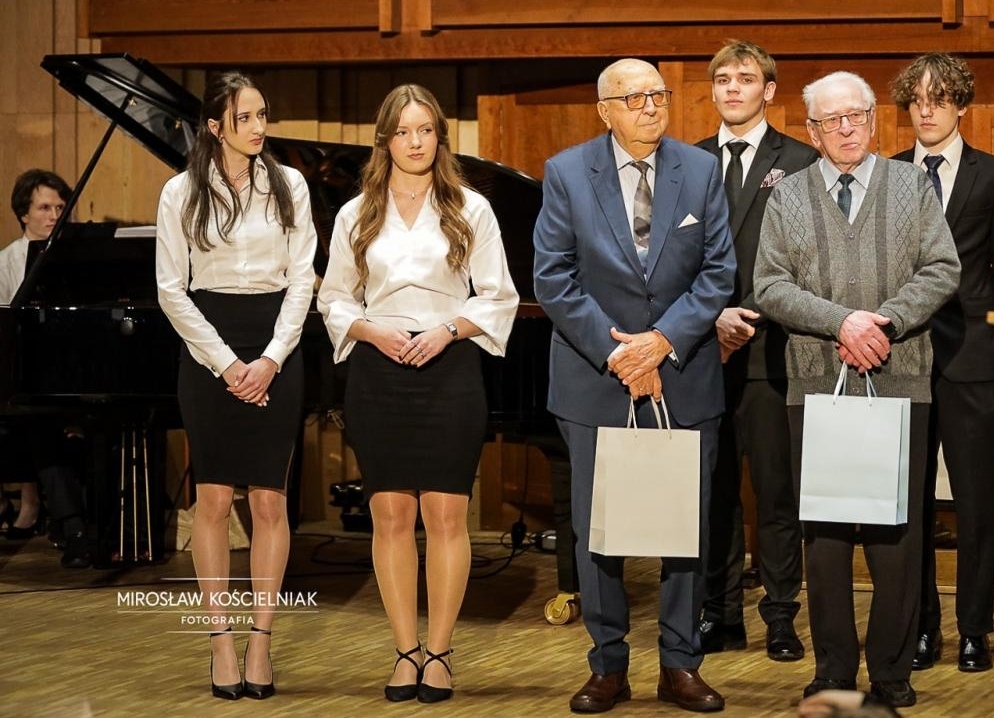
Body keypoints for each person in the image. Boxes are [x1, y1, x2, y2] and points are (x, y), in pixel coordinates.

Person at [533, 58, 736, 714]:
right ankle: (607, 664)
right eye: (635, 97)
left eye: (658, 94)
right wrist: (618, 352)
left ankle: (680, 664)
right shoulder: (567, 173)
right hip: (596, 379)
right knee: (599, 533)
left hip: (683, 376)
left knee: (686, 528)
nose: (651, 106)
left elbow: (718, 272)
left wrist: (663, 342)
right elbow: (553, 277)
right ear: (606, 110)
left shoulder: (702, 170)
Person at [754, 71, 960, 710]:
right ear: (811, 131)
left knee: (897, 532)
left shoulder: (912, 186)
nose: (846, 129)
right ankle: (833, 671)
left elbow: (943, 268)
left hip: (901, 381)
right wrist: (839, 322)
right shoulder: (785, 197)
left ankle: (892, 673)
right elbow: (769, 286)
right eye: (831, 120)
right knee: (826, 532)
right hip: (816, 386)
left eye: (856, 117)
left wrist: (885, 321)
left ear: (873, 121)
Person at [318, 83, 519, 704]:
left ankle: (440, 653)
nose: (415, 141)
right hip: (379, 369)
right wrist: (372, 331)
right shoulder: (357, 212)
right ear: (385, 139)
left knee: (446, 514)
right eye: (403, 131)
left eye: (425, 130)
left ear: (439, 137)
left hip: (449, 365)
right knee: (390, 514)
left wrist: (447, 330)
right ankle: (404, 652)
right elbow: (334, 297)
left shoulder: (470, 208)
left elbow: (498, 294)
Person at [154, 75, 316, 699]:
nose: (258, 126)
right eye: (245, 117)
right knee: (215, 500)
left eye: (262, 114)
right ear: (216, 126)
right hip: (207, 343)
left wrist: (271, 358)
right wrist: (225, 363)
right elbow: (172, 288)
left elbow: (302, 279)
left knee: (269, 500)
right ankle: (220, 641)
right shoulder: (180, 191)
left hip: (277, 340)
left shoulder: (291, 184)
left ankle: (260, 643)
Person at [888, 53, 994, 676]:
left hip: (972, 355)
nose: (928, 109)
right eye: (917, 99)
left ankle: (974, 629)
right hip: (903, 354)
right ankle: (921, 628)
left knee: (974, 502)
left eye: (940, 98)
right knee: (908, 500)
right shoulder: (886, 174)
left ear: (961, 104)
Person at [695, 41, 816, 663]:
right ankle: (718, 614)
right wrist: (708, 318)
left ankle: (779, 615)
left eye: (746, 79)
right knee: (711, 494)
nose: (733, 89)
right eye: (722, 79)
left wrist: (753, 314)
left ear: (770, 90)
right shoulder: (683, 162)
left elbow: (810, 260)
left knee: (776, 493)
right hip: (701, 353)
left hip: (773, 350)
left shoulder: (798, 161)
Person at [0, 168, 87, 565]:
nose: (54, 214)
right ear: (24, 213)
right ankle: (73, 528)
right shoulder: (6, 263)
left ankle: (87, 526)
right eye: (44, 207)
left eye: (59, 206)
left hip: (80, 369)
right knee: (41, 426)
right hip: (24, 376)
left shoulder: (82, 260)